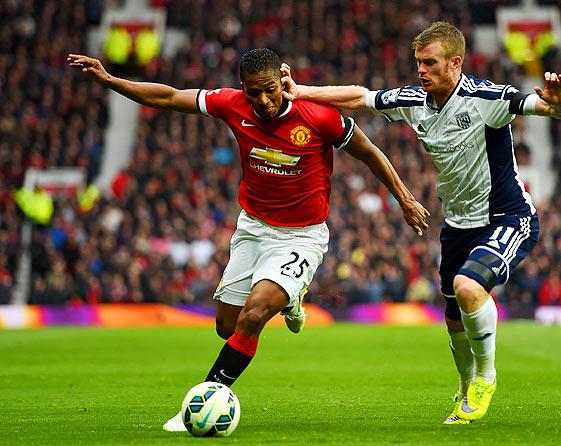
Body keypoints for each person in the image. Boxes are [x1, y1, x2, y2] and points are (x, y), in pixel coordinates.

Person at [67, 48, 430, 431]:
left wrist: (404, 199)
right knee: (228, 326)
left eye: (270, 90)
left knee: (255, 314)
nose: (263, 101)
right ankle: (291, 297)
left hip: (302, 236)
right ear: (243, 88)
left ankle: (205, 398)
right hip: (253, 229)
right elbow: (169, 96)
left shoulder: (319, 117)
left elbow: (370, 153)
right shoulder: (231, 104)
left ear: (283, 80)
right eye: (254, 92)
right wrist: (110, 81)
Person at [281, 21, 561, 424]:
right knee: (453, 317)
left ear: (455, 63)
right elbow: (362, 98)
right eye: (418, 62)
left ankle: (486, 379)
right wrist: (301, 93)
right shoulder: (414, 99)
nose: (421, 70)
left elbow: (544, 107)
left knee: (468, 288)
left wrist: (560, 103)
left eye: (430, 62)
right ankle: (465, 385)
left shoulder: (487, 97)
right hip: (457, 225)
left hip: (507, 217)